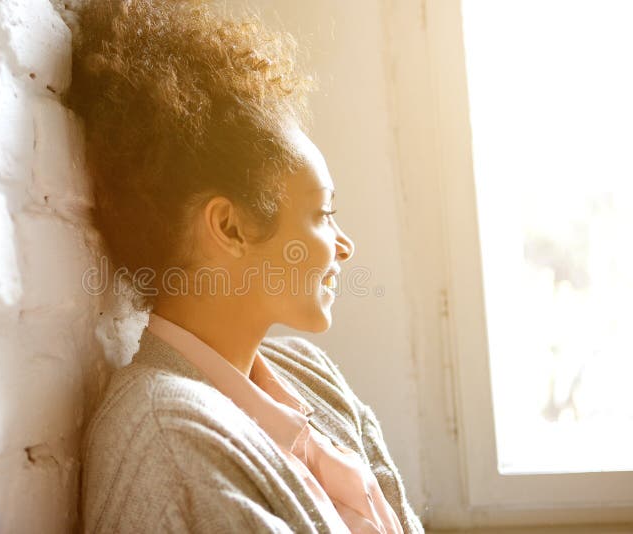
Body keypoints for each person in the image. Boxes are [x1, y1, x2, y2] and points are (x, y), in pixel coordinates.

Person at [69, 0, 424, 532]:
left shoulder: (312, 375)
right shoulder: (169, 440)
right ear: (229, 228)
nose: (344, 245)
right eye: (323, 213)